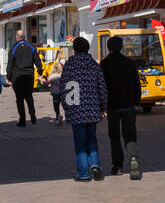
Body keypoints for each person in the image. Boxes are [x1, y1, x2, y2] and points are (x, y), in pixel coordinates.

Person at [60, 36, 108, 182]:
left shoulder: (69, 65)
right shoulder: (94, 64)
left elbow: (64, 87)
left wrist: (66, 107)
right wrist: (103, 106)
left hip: (76, 109)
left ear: (74, 49)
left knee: (80, 142)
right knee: (92, 138)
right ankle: (95, 164)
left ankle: (83, 173)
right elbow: (102, 87)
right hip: (92, 108)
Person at [100, 35, 143, 179]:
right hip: (128, 105)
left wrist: (102, 105)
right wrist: (136, 100)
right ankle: (133, 158)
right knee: (129, 134)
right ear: (121, 47)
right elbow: (137, 83)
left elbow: (101, 86)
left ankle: (117, 166)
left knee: (114, 136)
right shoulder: (129, 63)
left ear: (108, 48)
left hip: (112, 106)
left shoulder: (104, 64)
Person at [6, 28, 41, 126]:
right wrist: (40, 71)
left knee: (19, 98)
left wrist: (9, 76)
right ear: (24, 37)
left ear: (16, 37)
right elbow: (37, 60)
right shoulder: (31, 47)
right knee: (29, 95)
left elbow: (10, 64)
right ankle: (32, 112)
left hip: (17, 76)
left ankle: (22, 120)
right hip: (29, 75)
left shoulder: (13, 48)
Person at [48, 60, 64, 124]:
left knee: (56, 105)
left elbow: (47, 83)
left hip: (55, 93)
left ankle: (58, 115)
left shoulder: (52, 76)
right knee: (64, 105)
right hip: (62, 92)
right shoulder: (62, 75)